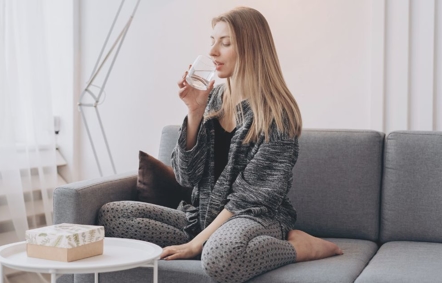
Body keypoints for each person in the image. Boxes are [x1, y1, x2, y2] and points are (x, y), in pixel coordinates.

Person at [98, 6, 343, 283]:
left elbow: (248, 199)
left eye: (225, 43)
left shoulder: (276, 114)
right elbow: (186, 177)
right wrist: (194, 111)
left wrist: (196, 245)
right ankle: (210, 240)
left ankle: (298, 247)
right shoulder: (212, 99)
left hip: (255, 218)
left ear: (251, 49)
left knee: (221, 258)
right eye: (212, 41)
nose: (213, 51)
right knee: (112, 216)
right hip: (201, 218)